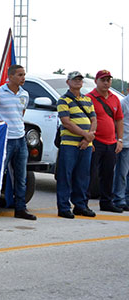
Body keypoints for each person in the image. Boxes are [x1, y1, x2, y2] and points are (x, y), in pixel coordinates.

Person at [0, 64, 37, 221]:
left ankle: (20, 208)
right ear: (11, 76)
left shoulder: (24, 94)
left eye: (24, 74)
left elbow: (21, 112)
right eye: (20, 75)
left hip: (20, 139)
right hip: (5, 139)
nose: (23, 78)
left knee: (21, 176)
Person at [54, 71, 97, 219]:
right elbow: (66, 122)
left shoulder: (87, 100)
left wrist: (88, 138)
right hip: (69, 144)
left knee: (83, 176)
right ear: (68, 82)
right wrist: (86, 135)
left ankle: (81, 205)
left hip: (86, 144)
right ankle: (64, 207)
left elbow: (94, 120)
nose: (78, 82)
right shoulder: (63, 100)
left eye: (80, 79)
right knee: (65, 176)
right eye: (75, 79)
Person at [86, 70, 125, 213]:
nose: (106, 83)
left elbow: (119, 120)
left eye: (108, 80)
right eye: (103, 80)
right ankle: (84, 202)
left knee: (108, 174)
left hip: (111, 142)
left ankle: (106, 202)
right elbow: (85, 121)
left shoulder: (115, 99)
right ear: (96, 81)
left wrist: (119, 140)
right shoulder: (89, 98)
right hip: (95, 142)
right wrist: (89, 139)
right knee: (89, 173)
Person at [112, 93, 129, 211]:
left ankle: (126, 198)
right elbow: (116, 121)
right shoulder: (123, 103)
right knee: (121, 172)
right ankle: (119, 199)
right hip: (125, 143)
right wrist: (119, 140)